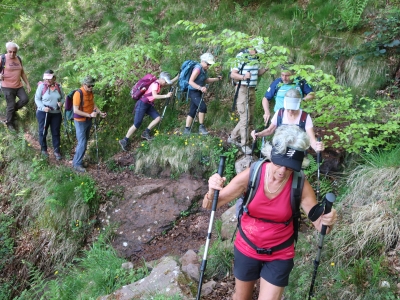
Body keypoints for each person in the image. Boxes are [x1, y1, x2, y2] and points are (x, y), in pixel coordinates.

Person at [203, 125, 337, 300]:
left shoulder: (300, 185)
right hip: (246, 247)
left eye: (289, 168)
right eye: (279, 164)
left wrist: (328, 220)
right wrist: (212, 190)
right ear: (270, 155)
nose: (282, 172)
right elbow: (210, 205)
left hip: (280, 253)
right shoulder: (253, 174)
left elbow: (321, 228)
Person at [252, 88, 324, 153]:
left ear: (299, 104)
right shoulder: (280, 113)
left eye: (293, 109)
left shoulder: (304, 117)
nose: (290, 111)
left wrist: (317, 147)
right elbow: (270, 130)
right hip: (279, 149)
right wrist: (259, 134)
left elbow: (312, 139)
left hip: (297, 152)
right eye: (288, 108)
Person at [228, 39, 268, 154]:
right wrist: (244, 77)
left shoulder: (256, 57)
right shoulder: (241, 56)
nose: (258, 53)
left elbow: (256, 73)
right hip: (242, 89)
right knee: (244, 117)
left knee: (249, 117)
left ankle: (233, 137)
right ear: (252, 47)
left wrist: (265, 69)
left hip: (252, 89)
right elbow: (233, 74)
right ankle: (244, 144)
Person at [119, 72, 174, 150]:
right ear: (161, 79)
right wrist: (166, 96)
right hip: (142, 104)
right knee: (137, 123)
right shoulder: (155, 84)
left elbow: (169, 83)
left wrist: (178, 77)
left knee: (158, 118)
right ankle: (124, 140)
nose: (166, 83)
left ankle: (146, 133)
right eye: (165, 81)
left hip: (148, 104)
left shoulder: (159, 84)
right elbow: (155, 95)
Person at [72, 76, 106, 173]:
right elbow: (76, 110)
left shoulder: (90, 92)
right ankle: (77, 164)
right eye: (89, 86)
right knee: (82, 142)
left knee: (84, 142)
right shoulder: (78, 94)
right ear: (84, 85)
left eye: (92, 86)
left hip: (88, 120)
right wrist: (89, 114)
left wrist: (99, 112)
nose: (91, 87)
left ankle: (77, 161)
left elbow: (93, 104)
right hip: (80, 121)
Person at [183, 52, 222, 135]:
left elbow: (206, 80)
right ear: (203, 61)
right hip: (193, 91)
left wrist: (217, 79)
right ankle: (201, 127)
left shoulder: (203, 70)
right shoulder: (197, 69)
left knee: (192, 110)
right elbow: (190, 81)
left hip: (197, 91)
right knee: (202, 107)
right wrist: (200, 88)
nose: (209, 66)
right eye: (208, 64)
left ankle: (186, 130)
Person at [0, 42, 31, 131]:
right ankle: (9, 123)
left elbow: (22, 73)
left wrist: (27, 84)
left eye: (14, 52)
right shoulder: (2, 58)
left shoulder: (19, 59)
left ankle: (11, 111)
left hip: (18, 85)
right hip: (7, 86)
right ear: (7, 50)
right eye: (10, 51)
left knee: (25, 99)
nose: (12, 54)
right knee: (11, 104)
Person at [34, 70, 64, 160]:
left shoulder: (58, 86)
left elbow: (63, 97)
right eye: (46, 79)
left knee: (56, 132)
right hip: (43, 112)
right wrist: (43, 108)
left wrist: (61, 103)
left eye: (49, 79)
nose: (47, 80)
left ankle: (57, 151)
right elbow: (37, 99)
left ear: (54, 78)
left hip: (56, 113)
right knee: (43, 131)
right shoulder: (41, 87)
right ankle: (43, 149)